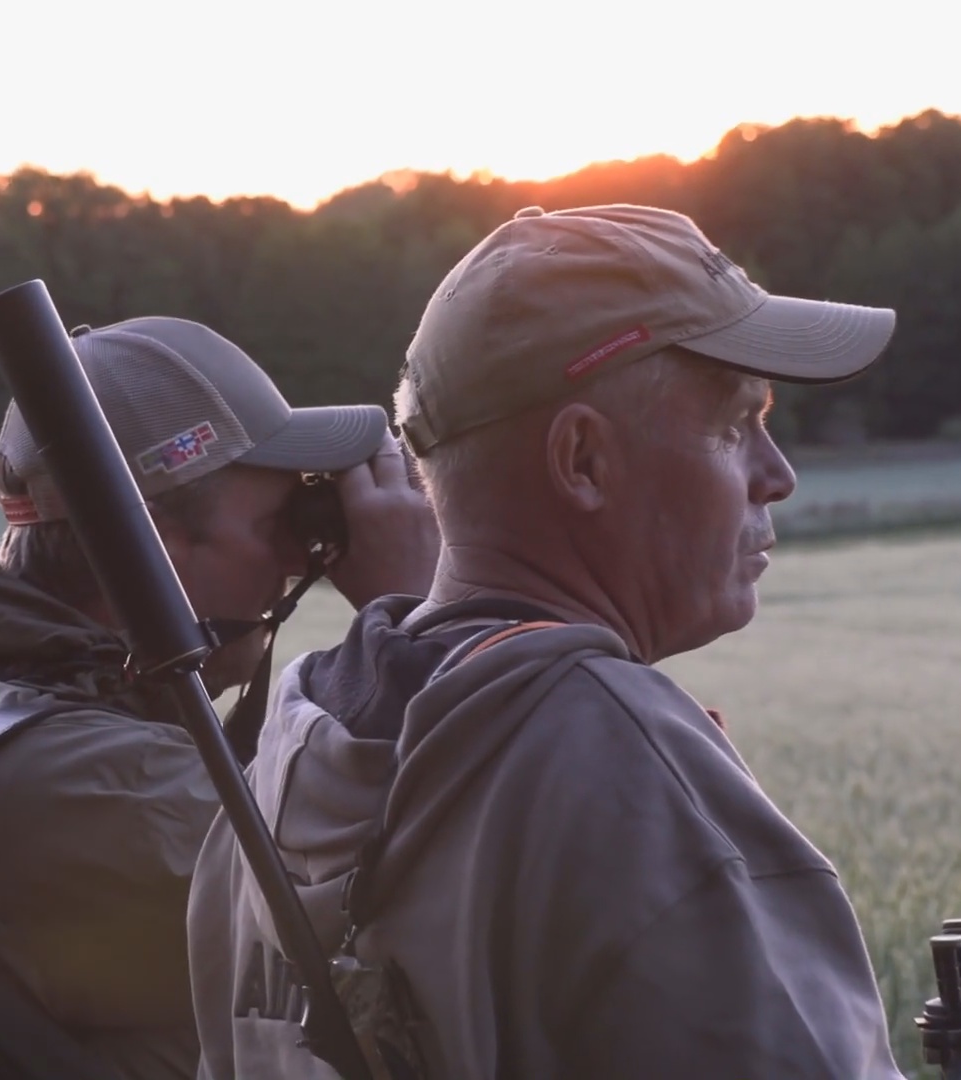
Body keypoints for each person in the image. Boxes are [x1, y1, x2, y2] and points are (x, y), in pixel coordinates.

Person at [186, 204, 908, 1079]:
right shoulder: (622, 771)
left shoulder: (273, 769)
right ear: (584, 463)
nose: (777, 476)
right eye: (732, 425)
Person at [0, 315, 439, 1080]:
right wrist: (421, 612)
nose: (303, 557)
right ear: (153, 550)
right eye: (275, 523)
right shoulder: (70, 776)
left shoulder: (51, 717)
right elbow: (434, 894)